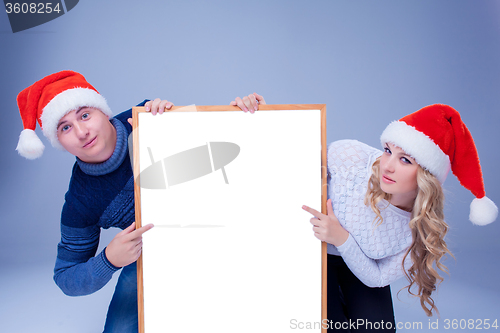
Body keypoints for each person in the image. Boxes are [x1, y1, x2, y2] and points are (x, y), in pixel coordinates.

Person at [232, 94, 498, 332]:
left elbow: (378, 277)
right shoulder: (351, 157)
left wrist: (342, 238)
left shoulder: (418, 229)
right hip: (308, 257)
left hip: (361, 270)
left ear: (427, 177)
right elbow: (293, 166)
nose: (388, 166)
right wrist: (264, 123)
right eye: (388, 151)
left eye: (405, 160)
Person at [15, 70, 174, 333]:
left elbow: (222, 147)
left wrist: (248, 115)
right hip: (150, 251)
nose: (81, 132)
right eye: (65, 127)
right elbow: (65, 277)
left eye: (85, 115)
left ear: (104, 112)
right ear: (60, 142)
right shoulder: (81, 201)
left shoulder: (147, 118)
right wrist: (109, 259)